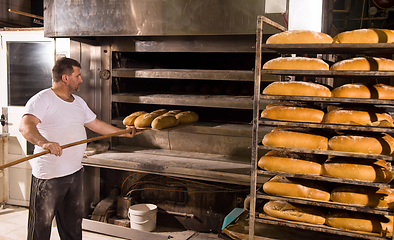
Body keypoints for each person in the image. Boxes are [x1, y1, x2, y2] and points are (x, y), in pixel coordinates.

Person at [19, 57, 140, 240]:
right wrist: (45, 143)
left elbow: (96, 125)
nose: (81, 79)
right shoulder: (42, 99)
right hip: (49, 177)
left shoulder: (78, 102)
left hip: (74, 173)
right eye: (78, 75)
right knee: (40, 230)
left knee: (73, 228)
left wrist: (123, 133)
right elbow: (26, 127)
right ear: (65, 78)